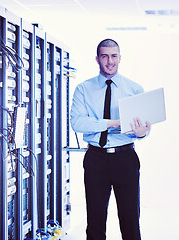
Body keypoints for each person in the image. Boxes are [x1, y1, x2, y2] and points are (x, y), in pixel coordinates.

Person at [70, 39, 151, 240]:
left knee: (130, 219)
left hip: (125, 159)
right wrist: (113, 123)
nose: (110, 61)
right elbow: (78, 123)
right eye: (105, 56)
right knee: (95, 221)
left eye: (114, 56)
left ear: (120, 58)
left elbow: (143, 130)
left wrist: (142, 133)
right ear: (97, 59)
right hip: (96, 159)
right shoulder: (83, 89)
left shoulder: (134, 89)